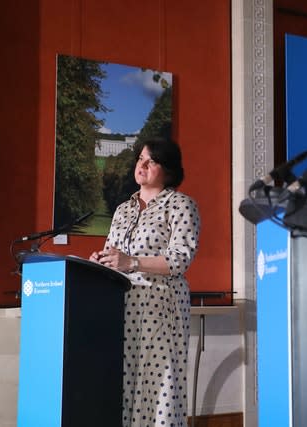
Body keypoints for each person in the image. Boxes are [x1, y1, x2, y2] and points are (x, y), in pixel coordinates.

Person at [90, 137, 200, 427]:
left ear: (169, 170)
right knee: (122, 386)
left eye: (152, 161)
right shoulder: (122, 210)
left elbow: (179, 260)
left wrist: (132, 262)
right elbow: (113, 252)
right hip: (122, 309)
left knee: (160, 388)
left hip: (161, 308)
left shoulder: (181, 205)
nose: (143, 164)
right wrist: (101, 261)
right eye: (140, 158)